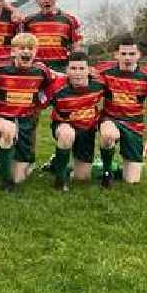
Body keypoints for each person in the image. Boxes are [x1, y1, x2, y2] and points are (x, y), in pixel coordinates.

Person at [0, 32, 56, 192]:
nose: (26, 52)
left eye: (30, 48)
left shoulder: (42, 71)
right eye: (21, 48)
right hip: (1, 119)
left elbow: (57, 81)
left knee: (20, 178)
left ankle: (5, 163)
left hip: (25, 122)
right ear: (13, 51)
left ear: (35, 52)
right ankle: (6, 181)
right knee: (9, 130)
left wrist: (43, 101)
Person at [97, 35, 147, 186]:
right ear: (116, 54)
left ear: (139, 55)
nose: (127, 57)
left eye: (132, 54)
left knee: (132, 180)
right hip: (110, 119)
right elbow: (80, 74)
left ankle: (114, 168)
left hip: (134, 125)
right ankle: (106, 172)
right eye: (123, 53)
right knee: (108, 135)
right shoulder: (103, 71)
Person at [48, 51, 105, 190]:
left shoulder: (100, 84)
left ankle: (56, 162)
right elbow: (38, 102)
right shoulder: (56, 87)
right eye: (73, 68)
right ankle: (59, 180)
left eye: (81, 68)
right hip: (64, 126)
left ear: (89, 70)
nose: (77, 72)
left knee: (82, 178)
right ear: (67, 70)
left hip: (87, 130)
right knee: (67, 134)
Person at [22, 0, 82, 73]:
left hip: (61, 69)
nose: (46, 0)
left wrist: (77, 68)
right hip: (36, 69)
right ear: (37, 1)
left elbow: (76, 47)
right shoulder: (28, 21)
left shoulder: (70, 20)